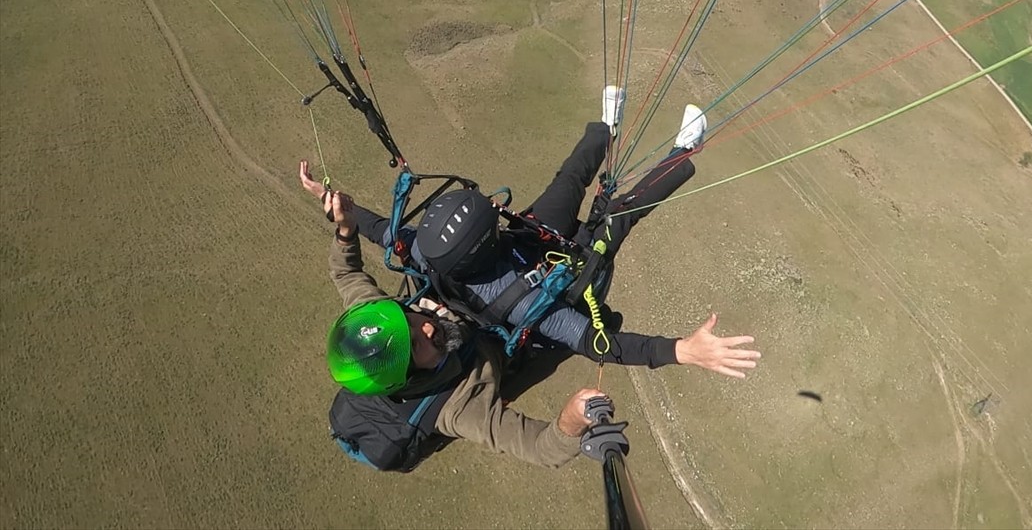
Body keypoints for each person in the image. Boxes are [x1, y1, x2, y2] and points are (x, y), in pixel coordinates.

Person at [302, 87, 761, 380]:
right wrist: (683, 351)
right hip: (566, 272)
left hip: (531, 240)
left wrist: (340, 210)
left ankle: (606, 128)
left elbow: (383, 232)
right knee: (621, 213)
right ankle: (685, 150)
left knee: (568, 181)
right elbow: (600, 344)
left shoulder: (426, 254)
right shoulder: (525, 307)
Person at [322, 189, 614, 469]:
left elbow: (346, 273)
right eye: (416, 345)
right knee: (598, 323)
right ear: (412, 375)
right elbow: (538, 448)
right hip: (516, 350)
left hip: (469, 310)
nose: (426, 328)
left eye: (408, 320)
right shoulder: (457, 409)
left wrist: (346, 229)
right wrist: (572, 421)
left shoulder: (378, 320)